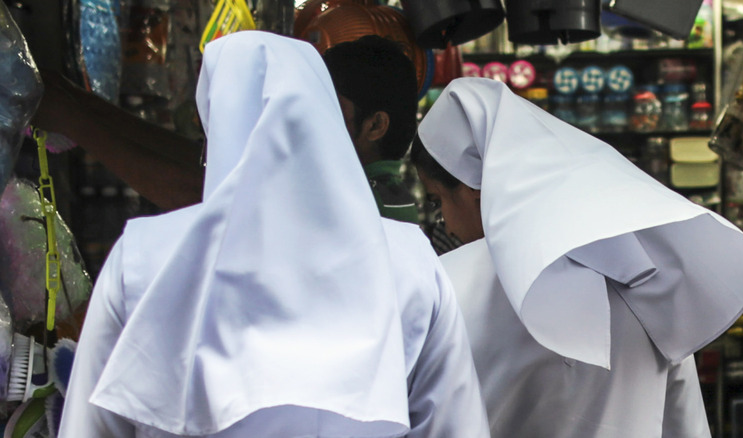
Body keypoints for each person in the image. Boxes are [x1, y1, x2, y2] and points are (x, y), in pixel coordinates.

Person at [58, 31, 488, 437]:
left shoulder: (144, 257)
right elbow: (454, 424)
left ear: (216, 127)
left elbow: (90, 426)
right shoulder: (409, 261)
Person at [411, 77, 743, 438]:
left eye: (438, 200)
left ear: (473, 189)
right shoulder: (639, 277)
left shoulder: (446, 284)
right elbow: (684, 423)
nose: (449, 224)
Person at [322, 36, 420, 223]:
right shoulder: (390, 197)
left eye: (332, 105)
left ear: (376, 126)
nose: (320, 115)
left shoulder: (353, 205)